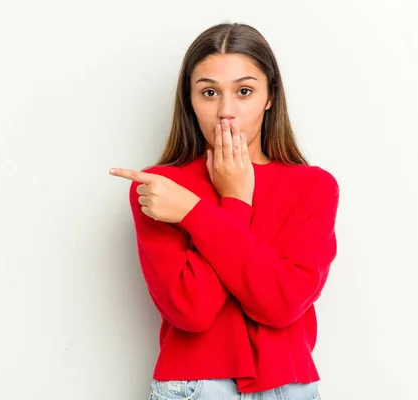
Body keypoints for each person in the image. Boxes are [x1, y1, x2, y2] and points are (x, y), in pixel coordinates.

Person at [109, 22, 338, 400]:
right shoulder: (159, 188)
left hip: (290, 388)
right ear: (189, 99)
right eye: (210, 92)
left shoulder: (313, 187)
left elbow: (280, 305)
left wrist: (195, 214)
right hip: (196, 386)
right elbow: (191, 310)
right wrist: (234, 203)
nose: (226, 111)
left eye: (244, 91)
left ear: (269, 97)